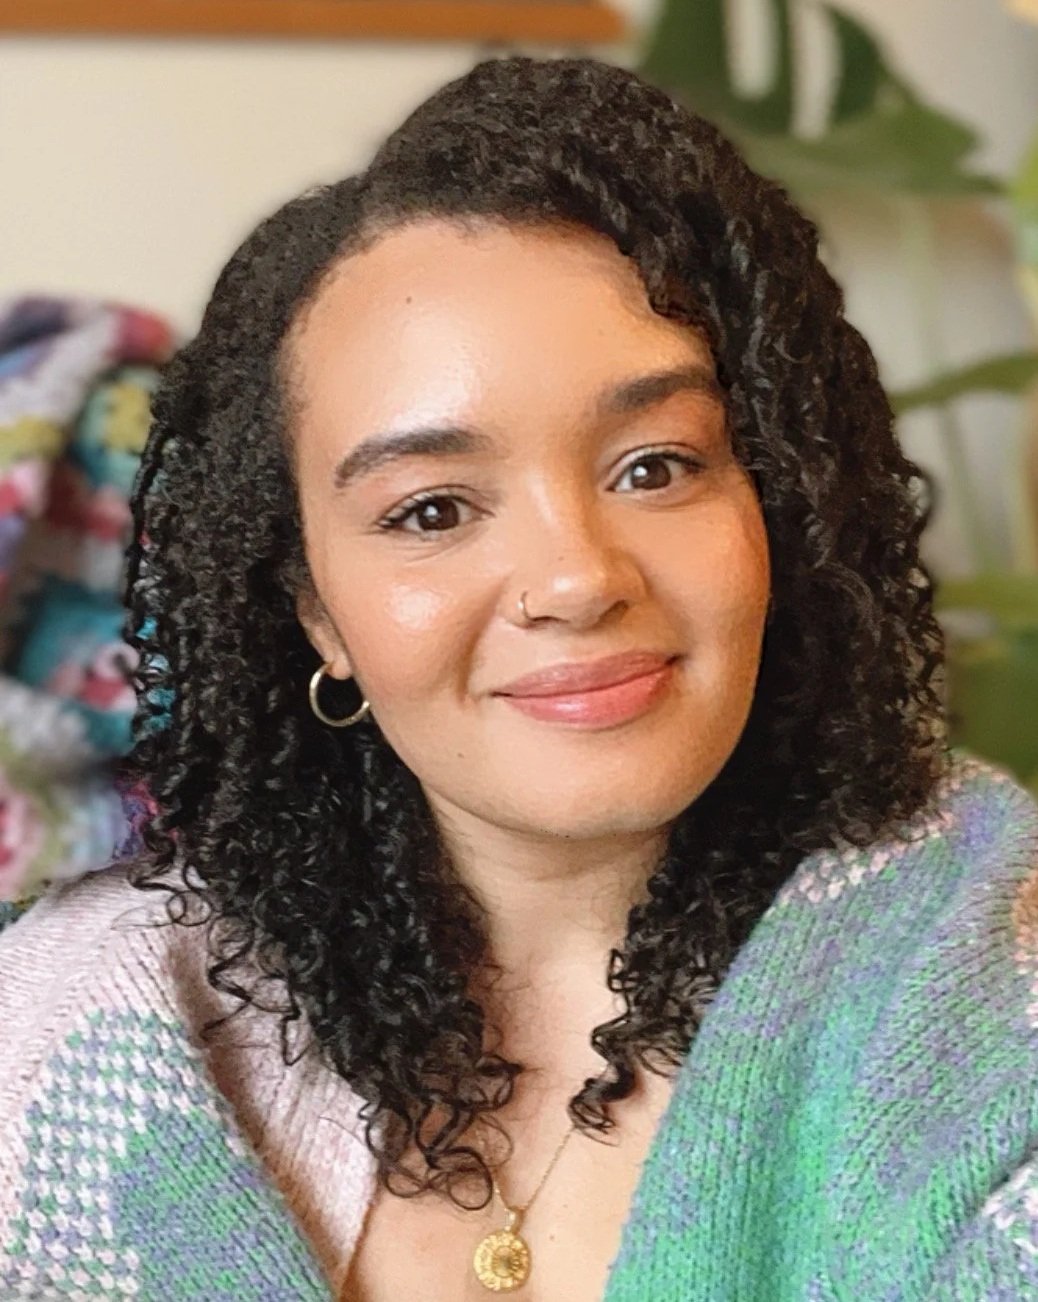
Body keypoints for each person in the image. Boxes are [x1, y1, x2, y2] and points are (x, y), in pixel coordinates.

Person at [1, 52, 1037, 1302]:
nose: (576, 578)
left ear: (781, 502)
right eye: (432, 509)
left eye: (656, 466)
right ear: (318, 613)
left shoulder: (992, 982)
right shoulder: (69, 1031)